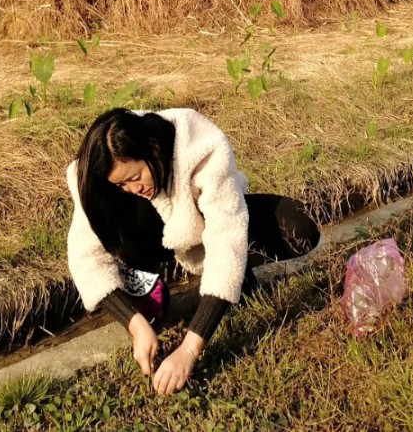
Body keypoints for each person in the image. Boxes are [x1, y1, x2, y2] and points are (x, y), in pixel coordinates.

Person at [66, 108, 319, 395]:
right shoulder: (97, 178)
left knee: (299, 229)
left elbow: (226, 238)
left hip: (200, 224)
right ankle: (141, 283)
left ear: (152, 148)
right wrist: (134, 324)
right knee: (119, 217)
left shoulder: (200, 145)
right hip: (144, 239)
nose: (132, 188)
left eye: (136, 176)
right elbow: (86, 256)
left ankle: (230, 281)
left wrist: (189, 349)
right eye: (121, 184)